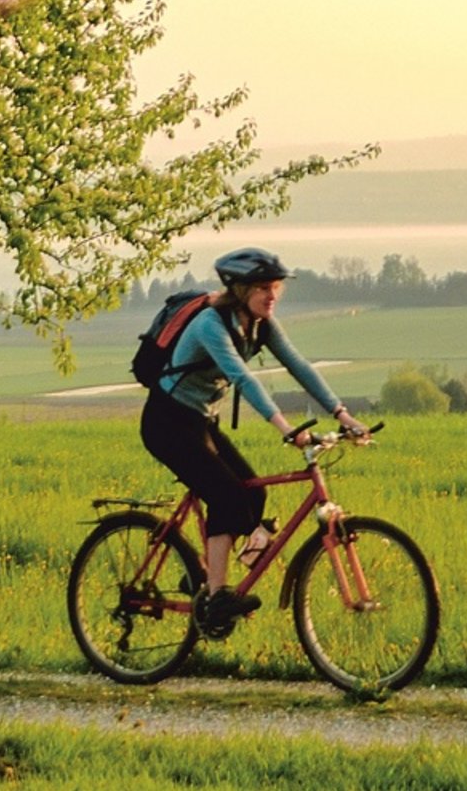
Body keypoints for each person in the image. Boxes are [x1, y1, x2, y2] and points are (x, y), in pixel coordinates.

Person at [141, 247, 370, 636]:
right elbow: (244, 379)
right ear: (241, 289)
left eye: (276, 287)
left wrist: (341, 413)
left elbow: (298, 365)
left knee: (253, 497)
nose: (272, 296)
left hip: (201, 420)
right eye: (263, 288)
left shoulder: (262, 324)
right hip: (167, 421)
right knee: (227, 496)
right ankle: (216, 597)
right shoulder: (210, 324)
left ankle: (207, 579)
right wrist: (286, 428)